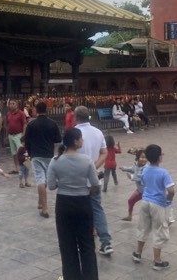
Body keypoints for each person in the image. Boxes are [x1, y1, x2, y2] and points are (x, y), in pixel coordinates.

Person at [47, 127, 100, 280]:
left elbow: (51, 185)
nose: (82, 140)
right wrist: (86, 191)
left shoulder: (56, 161)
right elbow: (95, 184)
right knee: (87, 244)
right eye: (81, 138)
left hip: (64, 204)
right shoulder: (86, 160)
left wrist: (63, 183)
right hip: (83, 203)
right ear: (76, 141)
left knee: (67, 245)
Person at [74, 105, 114, 255]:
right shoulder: (98, 132)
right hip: (95, 177)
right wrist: (93, 166)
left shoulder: (74, 133)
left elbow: (68, 155)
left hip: (78, 179)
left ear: (76, 117)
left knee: (79, 211)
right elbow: (104, 152)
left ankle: (82, 241)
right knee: (97, 209)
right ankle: (106, 242)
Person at [132, 144, 174, 271]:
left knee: (143, 227)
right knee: (159, 230)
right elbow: (171, 190)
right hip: (158, 204)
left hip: (145, 202)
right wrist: (168, 200)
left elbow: (144, 184)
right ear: (160, 157)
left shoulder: (145, 170)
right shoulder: (164, 172)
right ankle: (157, 261)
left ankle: (138, 254)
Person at [24, 101, 62, 219]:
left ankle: (44, 207)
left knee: (40, 179)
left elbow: (26, 141)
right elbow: (58, 140)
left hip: (36, 155)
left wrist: (30, 153)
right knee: (44, 179)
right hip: (48, 155)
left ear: (36, 110)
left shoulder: (31, 124)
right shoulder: (52, 123)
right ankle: (40, 202)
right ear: (47, 109)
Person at [120, 148, 147, 221]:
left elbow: (139, 177)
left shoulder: (146, 168)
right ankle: (129, 216)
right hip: (139, 190)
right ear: (138, 158)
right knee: (131, 200)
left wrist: (131, 177)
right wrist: (124, 168)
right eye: (142, 157)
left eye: (145, 158)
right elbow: (132, 169)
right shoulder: (136, 165)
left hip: (147, 192)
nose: (143, 159)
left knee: (148, 208)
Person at [6, 99, 27, 174]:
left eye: (13, 103)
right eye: (10, 104)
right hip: (11, 135)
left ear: (17, 105)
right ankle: (17, 168)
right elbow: (7, 125)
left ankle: (23, 167)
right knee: (14, 153)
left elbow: (24, 124)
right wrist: (7, 135)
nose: (11, 105)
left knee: (21, 152)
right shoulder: (8, 114)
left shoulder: (21, 113)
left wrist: (23, 135)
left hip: (18, 135)